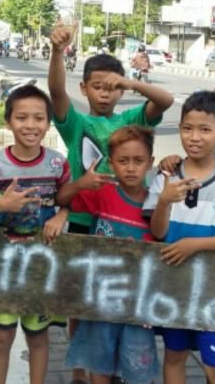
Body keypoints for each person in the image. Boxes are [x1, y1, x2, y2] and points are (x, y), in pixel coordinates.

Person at [49, 20, 174, 384]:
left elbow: (165, 100)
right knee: (81, 300)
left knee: (121, 298)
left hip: (126, 223)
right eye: (98, 87)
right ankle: (79, 368)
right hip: (84, 222)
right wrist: (58, 51)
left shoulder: (132, 118)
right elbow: (56, 91)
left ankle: (114, 367)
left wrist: (132, 82)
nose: (106, 93)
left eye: (113, 88)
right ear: (84, 88)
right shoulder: (74, 123)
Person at [143, 91, 215, 384]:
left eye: (204, 130)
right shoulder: (166, 176)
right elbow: (157, 232)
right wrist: (165, 201)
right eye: (187, 128)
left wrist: (196, 245)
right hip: (174, 287)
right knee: (174, 356)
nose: (194, 137)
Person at [0, 85, 72, 384]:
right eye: (22, 118)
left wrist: (62, 214)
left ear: (49, 123)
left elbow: (68, 201)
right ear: (9, 121)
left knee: (38, 337)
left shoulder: (58, 162)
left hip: (41, 267)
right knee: (2, 336)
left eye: (39, 118)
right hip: (2, 268)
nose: (31, 125)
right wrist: (0, 204)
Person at [50, 126, 159, 384]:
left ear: (150, 163)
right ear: (111, 163)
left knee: (137, 369)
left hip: (138, 306)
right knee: (99, 367)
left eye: (138, 161)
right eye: (123, 161)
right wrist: (76, 189)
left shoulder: (157, 205)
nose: (131, 168)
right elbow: (62, 198)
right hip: (99, 301)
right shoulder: (103, 192)